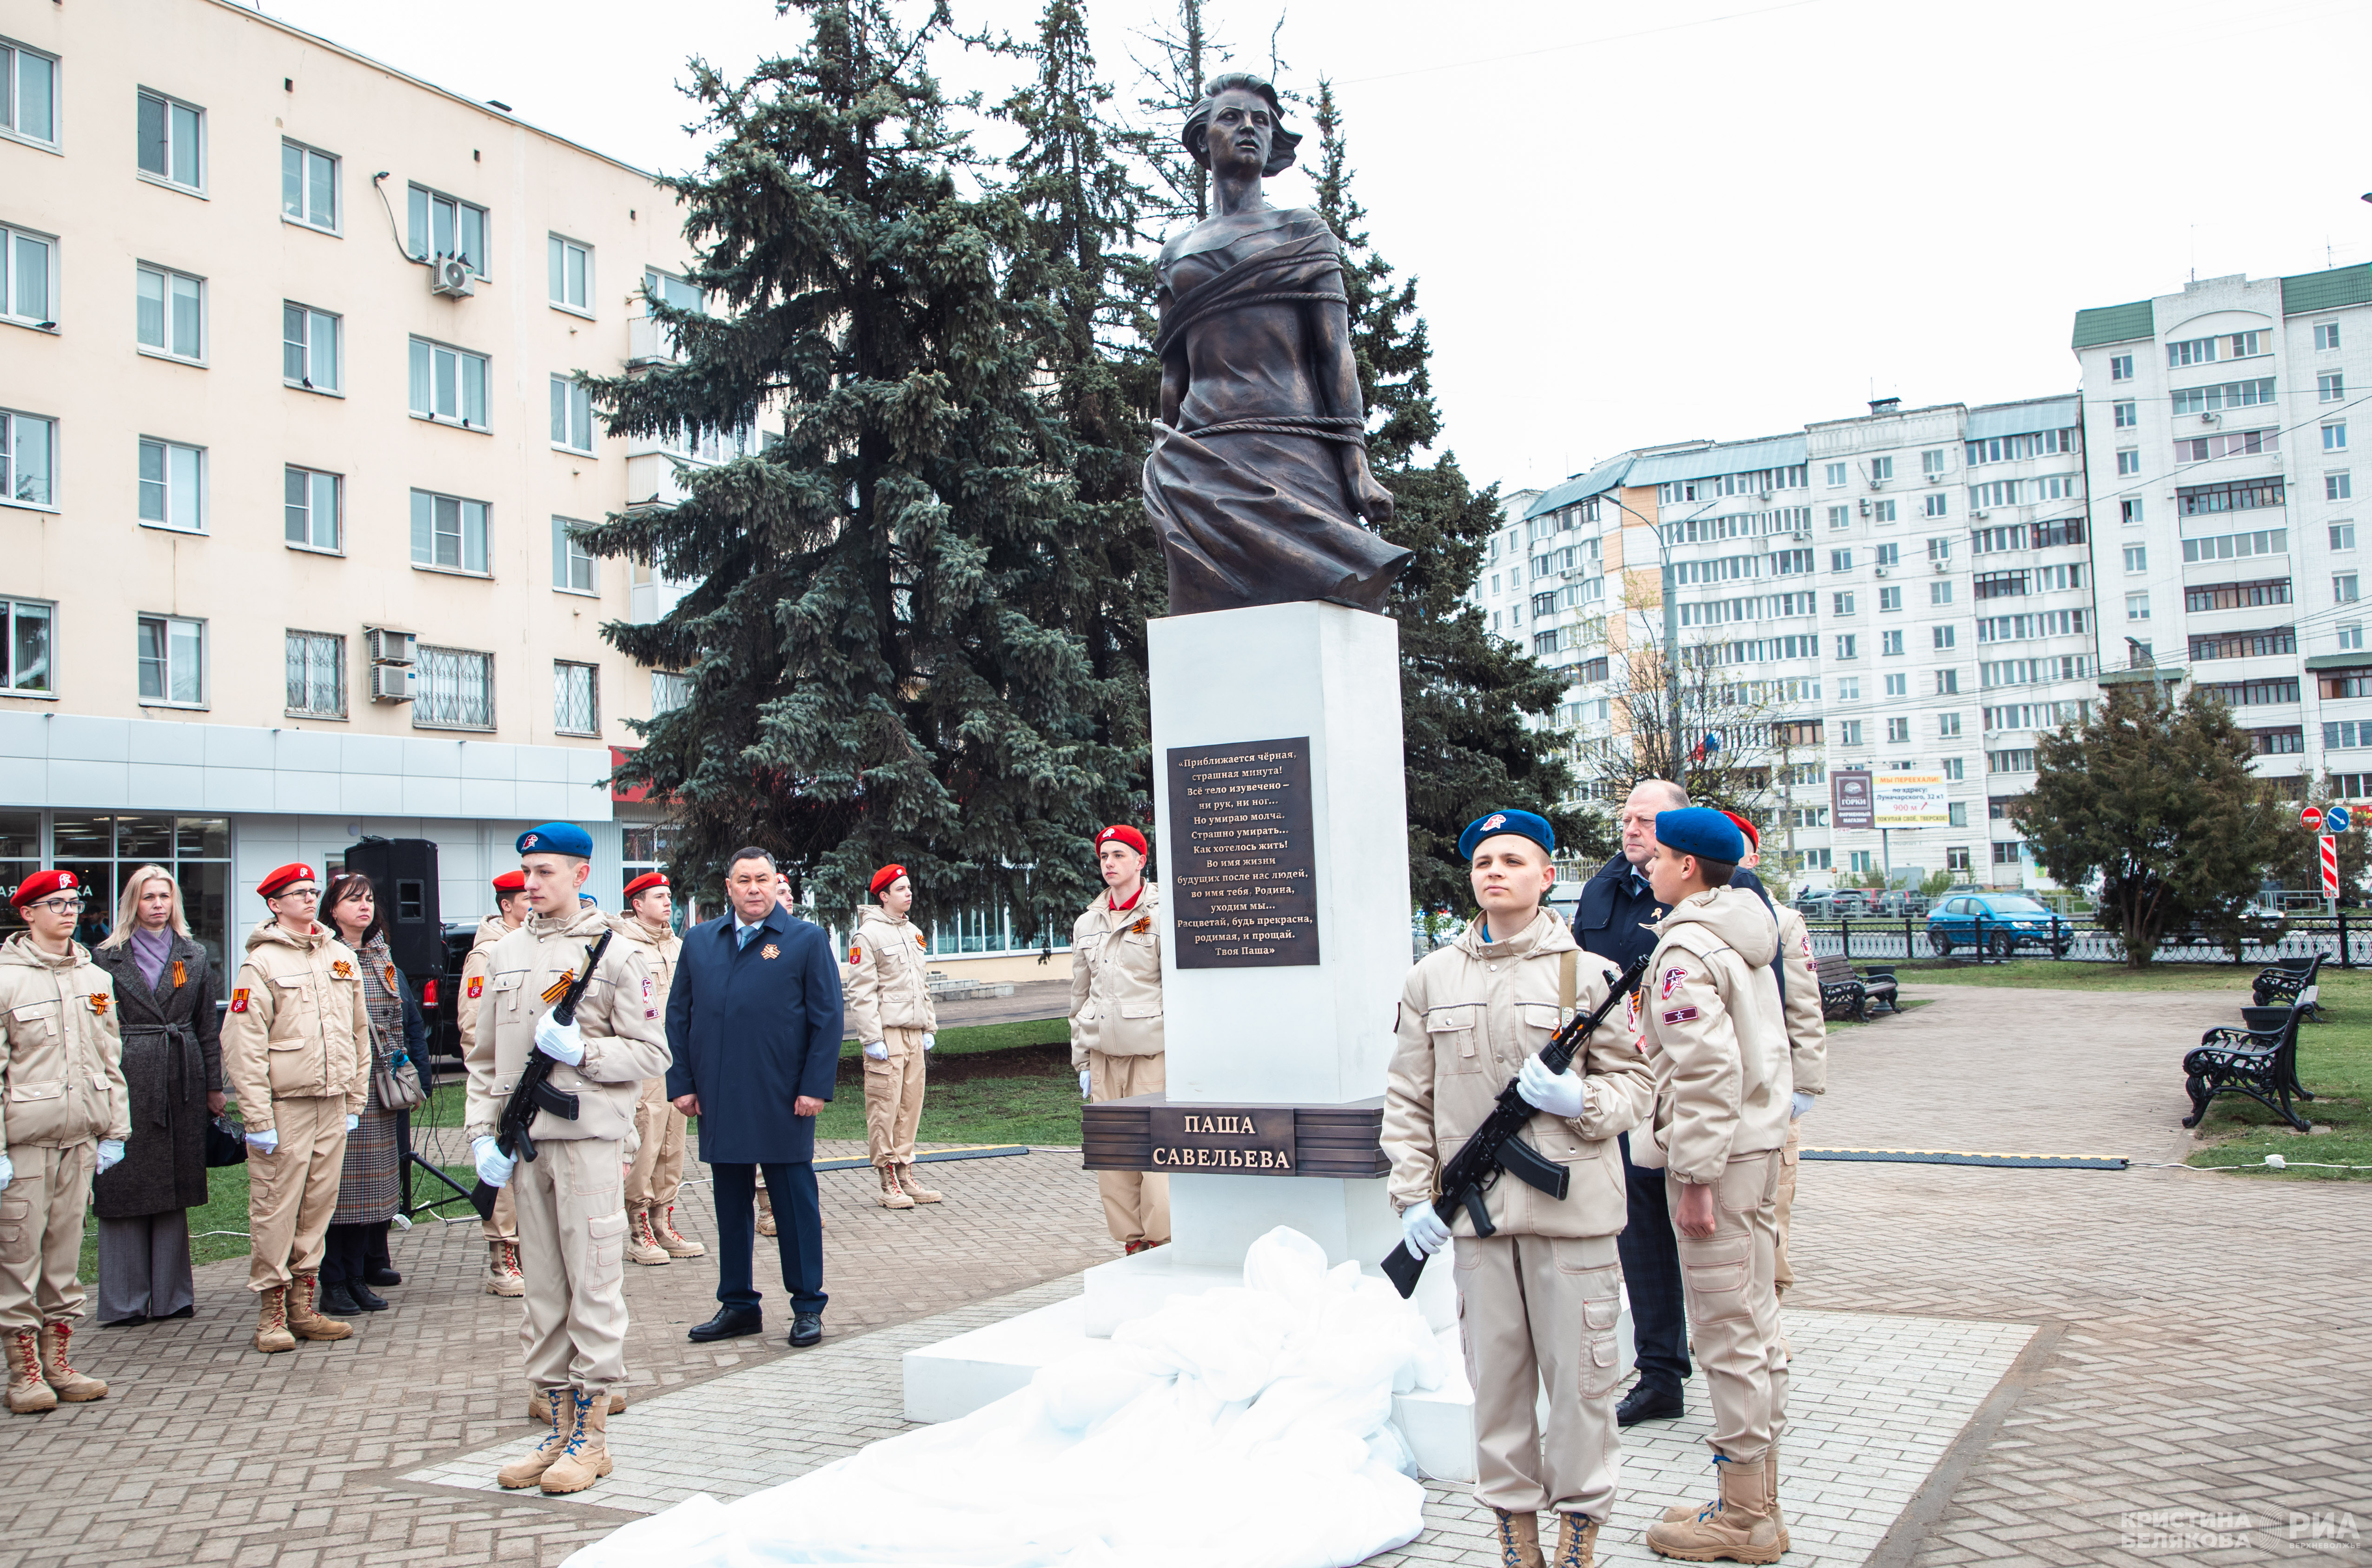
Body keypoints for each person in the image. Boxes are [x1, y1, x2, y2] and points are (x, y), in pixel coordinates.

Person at [1382, 812, 1654, 1568]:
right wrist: (1412, 1199)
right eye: (1482, 860)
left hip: (1574, 1221)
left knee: (1581, 1393)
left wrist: (1582, 1102)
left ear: (1545, 876)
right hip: (1476, 1221)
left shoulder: (1587, 976)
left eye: (1513, 859)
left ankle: (1577, 1539)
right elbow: (1408, 1097)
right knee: (1497, 1394)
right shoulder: (1430, 977)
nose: (1493, 870)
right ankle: (1515, 1538)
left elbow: (1636, 1086)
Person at [1140, 72, 1412, 614]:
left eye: (1260, 121)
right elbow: (1174, 374)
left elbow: (1335, 352)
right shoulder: (1175, 253)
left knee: (1323, 603)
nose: (1248, 128)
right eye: (1231, 117)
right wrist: (1168, 456)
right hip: (1202, 454)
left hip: (1292, 448)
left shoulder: (1301, 232)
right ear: (1202, 139)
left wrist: (1356, 465)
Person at [468, 823, 669, 1496]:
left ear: (580, 874)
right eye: (527, 872)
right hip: (524, 1148)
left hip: (586, 1143)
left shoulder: (613, 953)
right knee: (544, 1292)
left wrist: (584, 1053)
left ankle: (593, 1438)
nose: (532, 883)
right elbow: (484, 1060)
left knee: (593, 1287)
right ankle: (555, 1427)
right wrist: (480, 1138)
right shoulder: (505, 953)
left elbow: (651, 1054)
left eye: (546, 871)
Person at [1629, 809, 1792, 1564]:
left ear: (1688, 866)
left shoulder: (1686, 948)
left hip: (1718, 1164)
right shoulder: (1746, 929)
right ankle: (1760, 1501)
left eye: (1657, 855)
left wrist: (1692, 1176)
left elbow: (1704, 1071)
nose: (1646, 865)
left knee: (1725, 1336)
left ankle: (1741, 1518)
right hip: (1758, 1151)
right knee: (1757, 1327)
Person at [668, 847, 840, 1350]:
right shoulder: (700, 941)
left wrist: (814, 1086)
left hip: (783, 1095)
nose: (753, 888)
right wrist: (680, 1082)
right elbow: (678, 1016)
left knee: (793, 1206)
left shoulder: (804, 940)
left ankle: (807, 1305)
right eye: (742, 879)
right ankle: (739, 1304)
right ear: (728, 886)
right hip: (719, 1095)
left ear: (775, 882)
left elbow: (827, 1019)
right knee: (731, 1207)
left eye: (762, 879)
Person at [1570, 778, 1693, 1427]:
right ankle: (1660, 1373)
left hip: (1693, 1086)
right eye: (1625, 819)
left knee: (1711, 1232)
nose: (1630, 829)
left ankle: (1742, 1357)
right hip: (1627, 1089)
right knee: (1640, 1238)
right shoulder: (1601, 889)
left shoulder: (1709, 887)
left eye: (1645, 820)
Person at [220, 863, 369, 1354]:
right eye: (297, 893)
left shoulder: (338, 954)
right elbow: (243, 1046)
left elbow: (358, 1032)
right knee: (276, 1210)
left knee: (318, 1207)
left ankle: (304, 1306)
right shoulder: (260, 964)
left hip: (331, 1103)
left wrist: (354, 1097)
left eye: (312, 891)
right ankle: (270, 1313)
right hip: (285, 1106)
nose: (308, 899)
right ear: (274, 904)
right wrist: (257, 1119)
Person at [0, 870, 130, 1412]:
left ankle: (58, 1361)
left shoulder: (94, 977)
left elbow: (110, 1058)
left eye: (73, 902)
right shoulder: (6, 979)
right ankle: (23, 1371)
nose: (68, 911)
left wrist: (115, 1131)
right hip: (26, 1143)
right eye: (54, 903)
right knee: (18, 1256)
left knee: (63, 1257)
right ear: (27, 913)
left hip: (80, 1138)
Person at [88, 864, 220, 1326]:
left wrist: (215, 1087)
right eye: (149, 897)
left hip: (181, 1076)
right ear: (133, 903)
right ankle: (124, 1300)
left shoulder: (194, 954)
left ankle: (172, 1295)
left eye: (165, 896)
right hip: (128, 1077)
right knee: (123, 1186)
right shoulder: (105, 957)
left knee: (172, 1187)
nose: (158, 905)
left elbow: (207, 1024)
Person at [1719, 813, 1825, 1330]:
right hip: (1713, 1092)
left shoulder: (1780, 920)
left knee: (1770, 1207)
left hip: (1770, 1090)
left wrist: (1803, 1084)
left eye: (1731, 846)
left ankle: (1769, 1322)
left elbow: (1803, 1006)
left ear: (1751, 859)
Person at [1070, 826, 1168, 1256]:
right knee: (1114, 1156)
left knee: (1159, 1157)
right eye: (1104, 856)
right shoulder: (1088, 921)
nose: (1109, 863)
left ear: (1140, 860)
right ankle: (1132, 1242)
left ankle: (1162, 1238)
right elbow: (1079, 997)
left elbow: (1177, 990)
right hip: (1103, 1056)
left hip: (1152, 1056)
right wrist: (1083, 1064)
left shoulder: (1165, 912)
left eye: (1119, 855)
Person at [317, 873, 408, 1317]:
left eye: (369, 898)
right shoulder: (324, 953)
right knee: (339, 1191)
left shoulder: (379, 953)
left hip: (378, 1086)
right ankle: (332, 1280)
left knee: (370, 1191)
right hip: (341, 1084)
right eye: (353, 900)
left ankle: (357, 1275)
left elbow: (396, 1014)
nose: (364, 906)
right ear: (332, 910)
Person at [615, 872, 699, 1266]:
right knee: (646, 1139)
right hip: (643, 1059)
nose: (668, 902)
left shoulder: (680, 945)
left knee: (673, 1141)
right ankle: (638, 1227)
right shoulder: (621, 945)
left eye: (669, 896)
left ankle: (663, 1219)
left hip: (677, 1055)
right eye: (659, 897)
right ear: (637, 903)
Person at [846, 864, 940, 1210]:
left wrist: (929, 1027)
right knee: (885, 1107)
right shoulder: (868, 935)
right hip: (887, 1035)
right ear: (883, 896)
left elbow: (923, 986)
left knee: (910, 1106)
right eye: (901, 889)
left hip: (914, 1034)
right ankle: (886, 1178)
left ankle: (906, 1171)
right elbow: (862, 992)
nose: (909, 893)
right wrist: (872, 1037)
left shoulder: (913, 932)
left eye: (909, 887)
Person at [459, 869, 530, 1296]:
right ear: (507, 904)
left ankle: (526, 1250)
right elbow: (473, 1025)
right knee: (500, 1168)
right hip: (501, 1078)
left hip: (532, 1075)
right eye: (525, 896)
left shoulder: (530, 943)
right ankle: (502, 1254)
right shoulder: (487, 954)